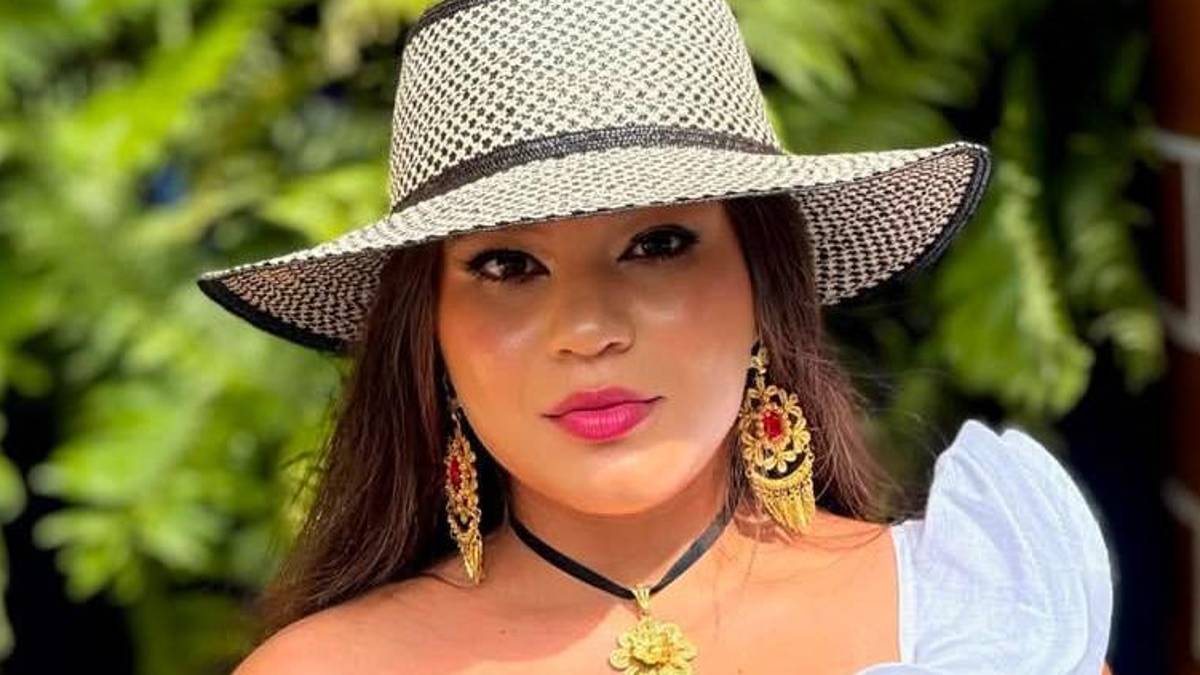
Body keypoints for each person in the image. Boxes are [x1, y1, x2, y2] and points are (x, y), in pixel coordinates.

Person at [197, 0, 1116, 672]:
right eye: (508, 265)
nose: (589, 329)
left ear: (763, 284)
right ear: (429, 331)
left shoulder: (985, 621)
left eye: (659, 244)